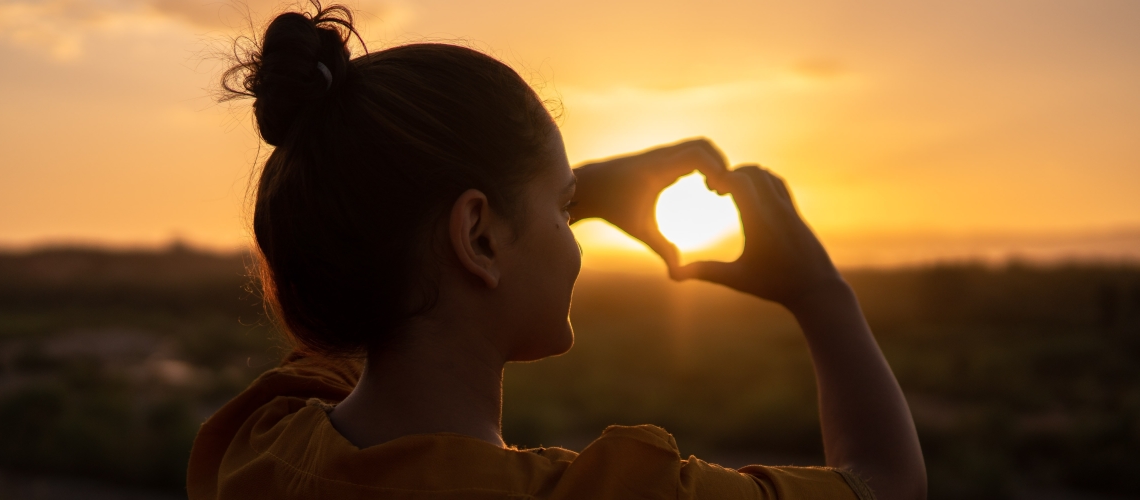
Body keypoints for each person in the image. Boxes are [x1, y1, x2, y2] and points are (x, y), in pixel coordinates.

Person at [187, 2, 927, 499]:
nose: (575, 241)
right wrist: (821, 293)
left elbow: (384, 278)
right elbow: (884, 484)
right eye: (564, 209)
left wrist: (550, 196)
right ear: (477, 236)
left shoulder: (261, 444)